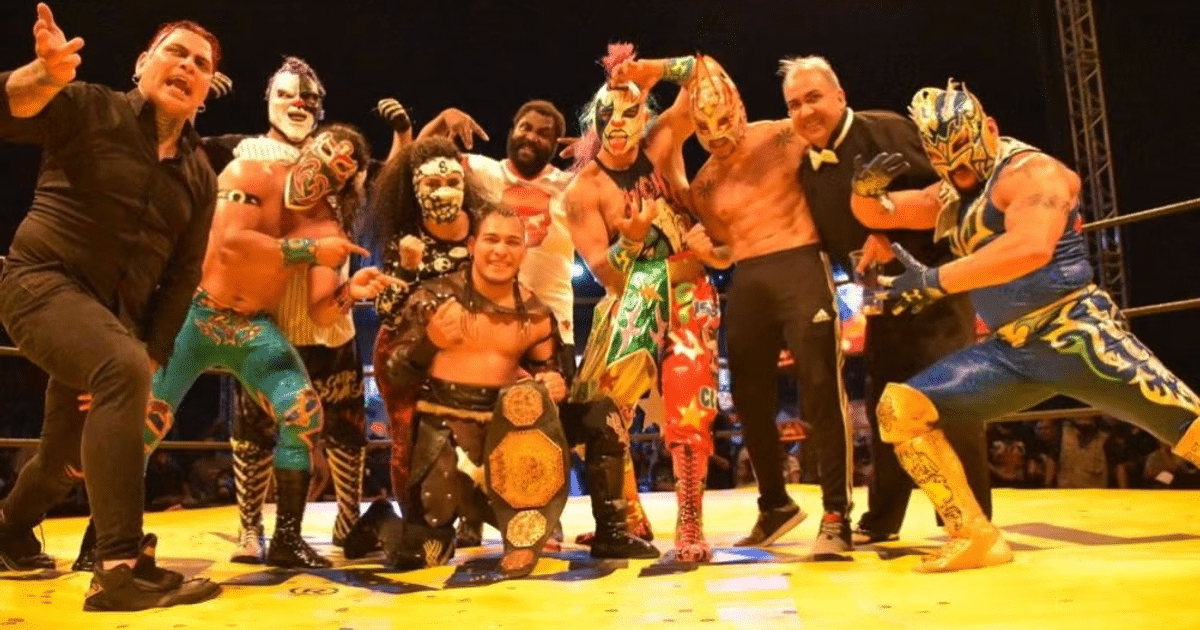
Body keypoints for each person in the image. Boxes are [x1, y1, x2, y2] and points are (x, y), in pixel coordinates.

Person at [850, 79, 1200, 572]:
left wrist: (933, 279)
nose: (961, 173)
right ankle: (974, 535)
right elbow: (883, 213)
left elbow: (1030, 247)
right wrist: (864, 191)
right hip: (1011, 353)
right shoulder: (954, 190)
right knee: (899, 409)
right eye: (950, 165)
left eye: (967, 159)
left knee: (1191, 425)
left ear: (988, 129)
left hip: (1076, 336)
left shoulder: (1035, 174)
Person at [0, 5, 222, 611]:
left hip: (112, 322)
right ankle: (119, 569)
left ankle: (8, 532)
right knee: (119, 368)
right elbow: (10, 107)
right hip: (39, 282)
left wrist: (149, 354)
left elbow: (182, 278)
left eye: (201, 64)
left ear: (205, 90)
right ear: (143, 64)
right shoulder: (91, 106)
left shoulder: (201, 178)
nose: (187, 66)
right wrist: (43, 74)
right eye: (175, 52)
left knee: (65, 458)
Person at [142, 123, 393, 570]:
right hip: (197, 314)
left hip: (251, 328)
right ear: (308, 147)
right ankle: (107, 538)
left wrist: (350, 293)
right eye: (329, 150)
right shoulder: (251, 172)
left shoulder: (326, 223)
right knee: (146, 418)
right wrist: (309, 252)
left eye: (344, 164)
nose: (332, 165)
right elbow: (230, 243)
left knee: (302, 412)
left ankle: (288, 541)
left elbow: (319, 312)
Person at [418, 100, 657, 557]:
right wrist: (441, 121)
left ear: (554, 143)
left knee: (556, 426)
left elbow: (626, 169)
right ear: (511, 127)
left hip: (552, 332)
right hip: (486, 332)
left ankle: (551, 519)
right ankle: (467, 517)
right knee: (473, 425)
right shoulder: (484, 174)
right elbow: (423, 163)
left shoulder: (570, 186)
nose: (531, 137)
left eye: (543, 133)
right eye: (524, 127)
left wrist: (595, 154)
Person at [782, 55, 991, 546]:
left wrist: (894, 235)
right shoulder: (810, 168)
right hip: (881, 299)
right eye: (794, 104)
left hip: (937, 286)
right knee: (886, 408)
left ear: (840, 95)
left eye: (814, 97)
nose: (806, 110)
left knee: (952, 401)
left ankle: (969, 517)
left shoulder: (888, 131)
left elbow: (957, 189)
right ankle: (884, 516)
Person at [683, 54, 854, 557]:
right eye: (704, 125)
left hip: (801, 261)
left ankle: (836, 515)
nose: (717, 132)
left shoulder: (782, 134)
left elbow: (840, 140)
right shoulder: (704, 185)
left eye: (723, 118)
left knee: (822, 386)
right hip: (748, 279)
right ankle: (774, 504)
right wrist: (702, 251)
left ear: (738, 107)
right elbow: (724, 251)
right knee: (748, 398)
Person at [355, 204, 571, 579]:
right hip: (443, 433)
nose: (500, 251)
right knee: (426, 555)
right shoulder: (434, 298)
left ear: (523, 251)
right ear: (472, 245)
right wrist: (428, 343)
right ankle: (381, 518)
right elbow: (394, 374)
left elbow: (550, 369)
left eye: (511, 242)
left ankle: (482, 516)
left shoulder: (535, 312)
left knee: (537, 536)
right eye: (490, 239)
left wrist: (556, 383)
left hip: (502, 440)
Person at [566, 44, 722, 562]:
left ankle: (691, 520)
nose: (618, 123)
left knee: (688, 399)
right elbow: (607, 275)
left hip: (686, 292)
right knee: (596, 404)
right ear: (593, 121)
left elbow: (703, 77)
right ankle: (626, 516)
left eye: (630, 111)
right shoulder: (583, 191)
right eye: (607, 113)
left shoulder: (660, 142)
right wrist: (631, 240)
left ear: (645, 115)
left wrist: (657, 70)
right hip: (630, 294)